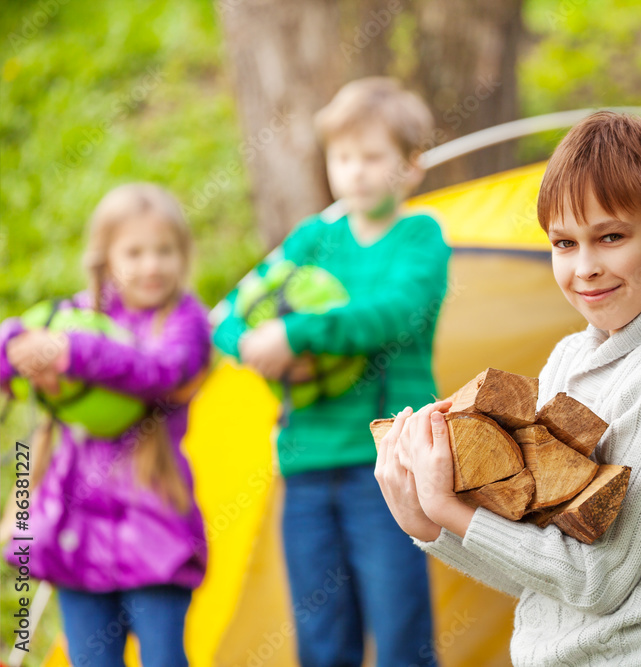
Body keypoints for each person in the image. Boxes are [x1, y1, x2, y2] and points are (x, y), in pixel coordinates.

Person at [376, 111, 641, 667]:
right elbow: (544, 570)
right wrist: (428, 523)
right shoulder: (572, 357)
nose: (585, 268)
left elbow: (593, 580)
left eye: (610, 237)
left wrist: (447, 506)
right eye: (563, 243)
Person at [212, 77, 447, 667]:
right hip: (307, 467)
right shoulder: (313, 239)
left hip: (389, 469)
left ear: (411, 167)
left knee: (400, 630)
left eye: (373, 157)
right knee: (321, 635)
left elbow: (390, 315)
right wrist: (252, 343)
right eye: (343, 157)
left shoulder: (421, 237)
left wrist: (296, 333)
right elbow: (226, 320)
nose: (356, 172)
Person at [0, 183, 211, 666]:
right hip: (76, 534)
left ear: (183, 255)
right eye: (134, 252)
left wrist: (72, 352)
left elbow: (159, 371)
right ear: (105, 259)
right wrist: (17, 343)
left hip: (153, 527)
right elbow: (14, 344)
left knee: (163, 658)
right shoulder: (76, 315)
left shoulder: (185, 322)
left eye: (165, 251)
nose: (151, 265)